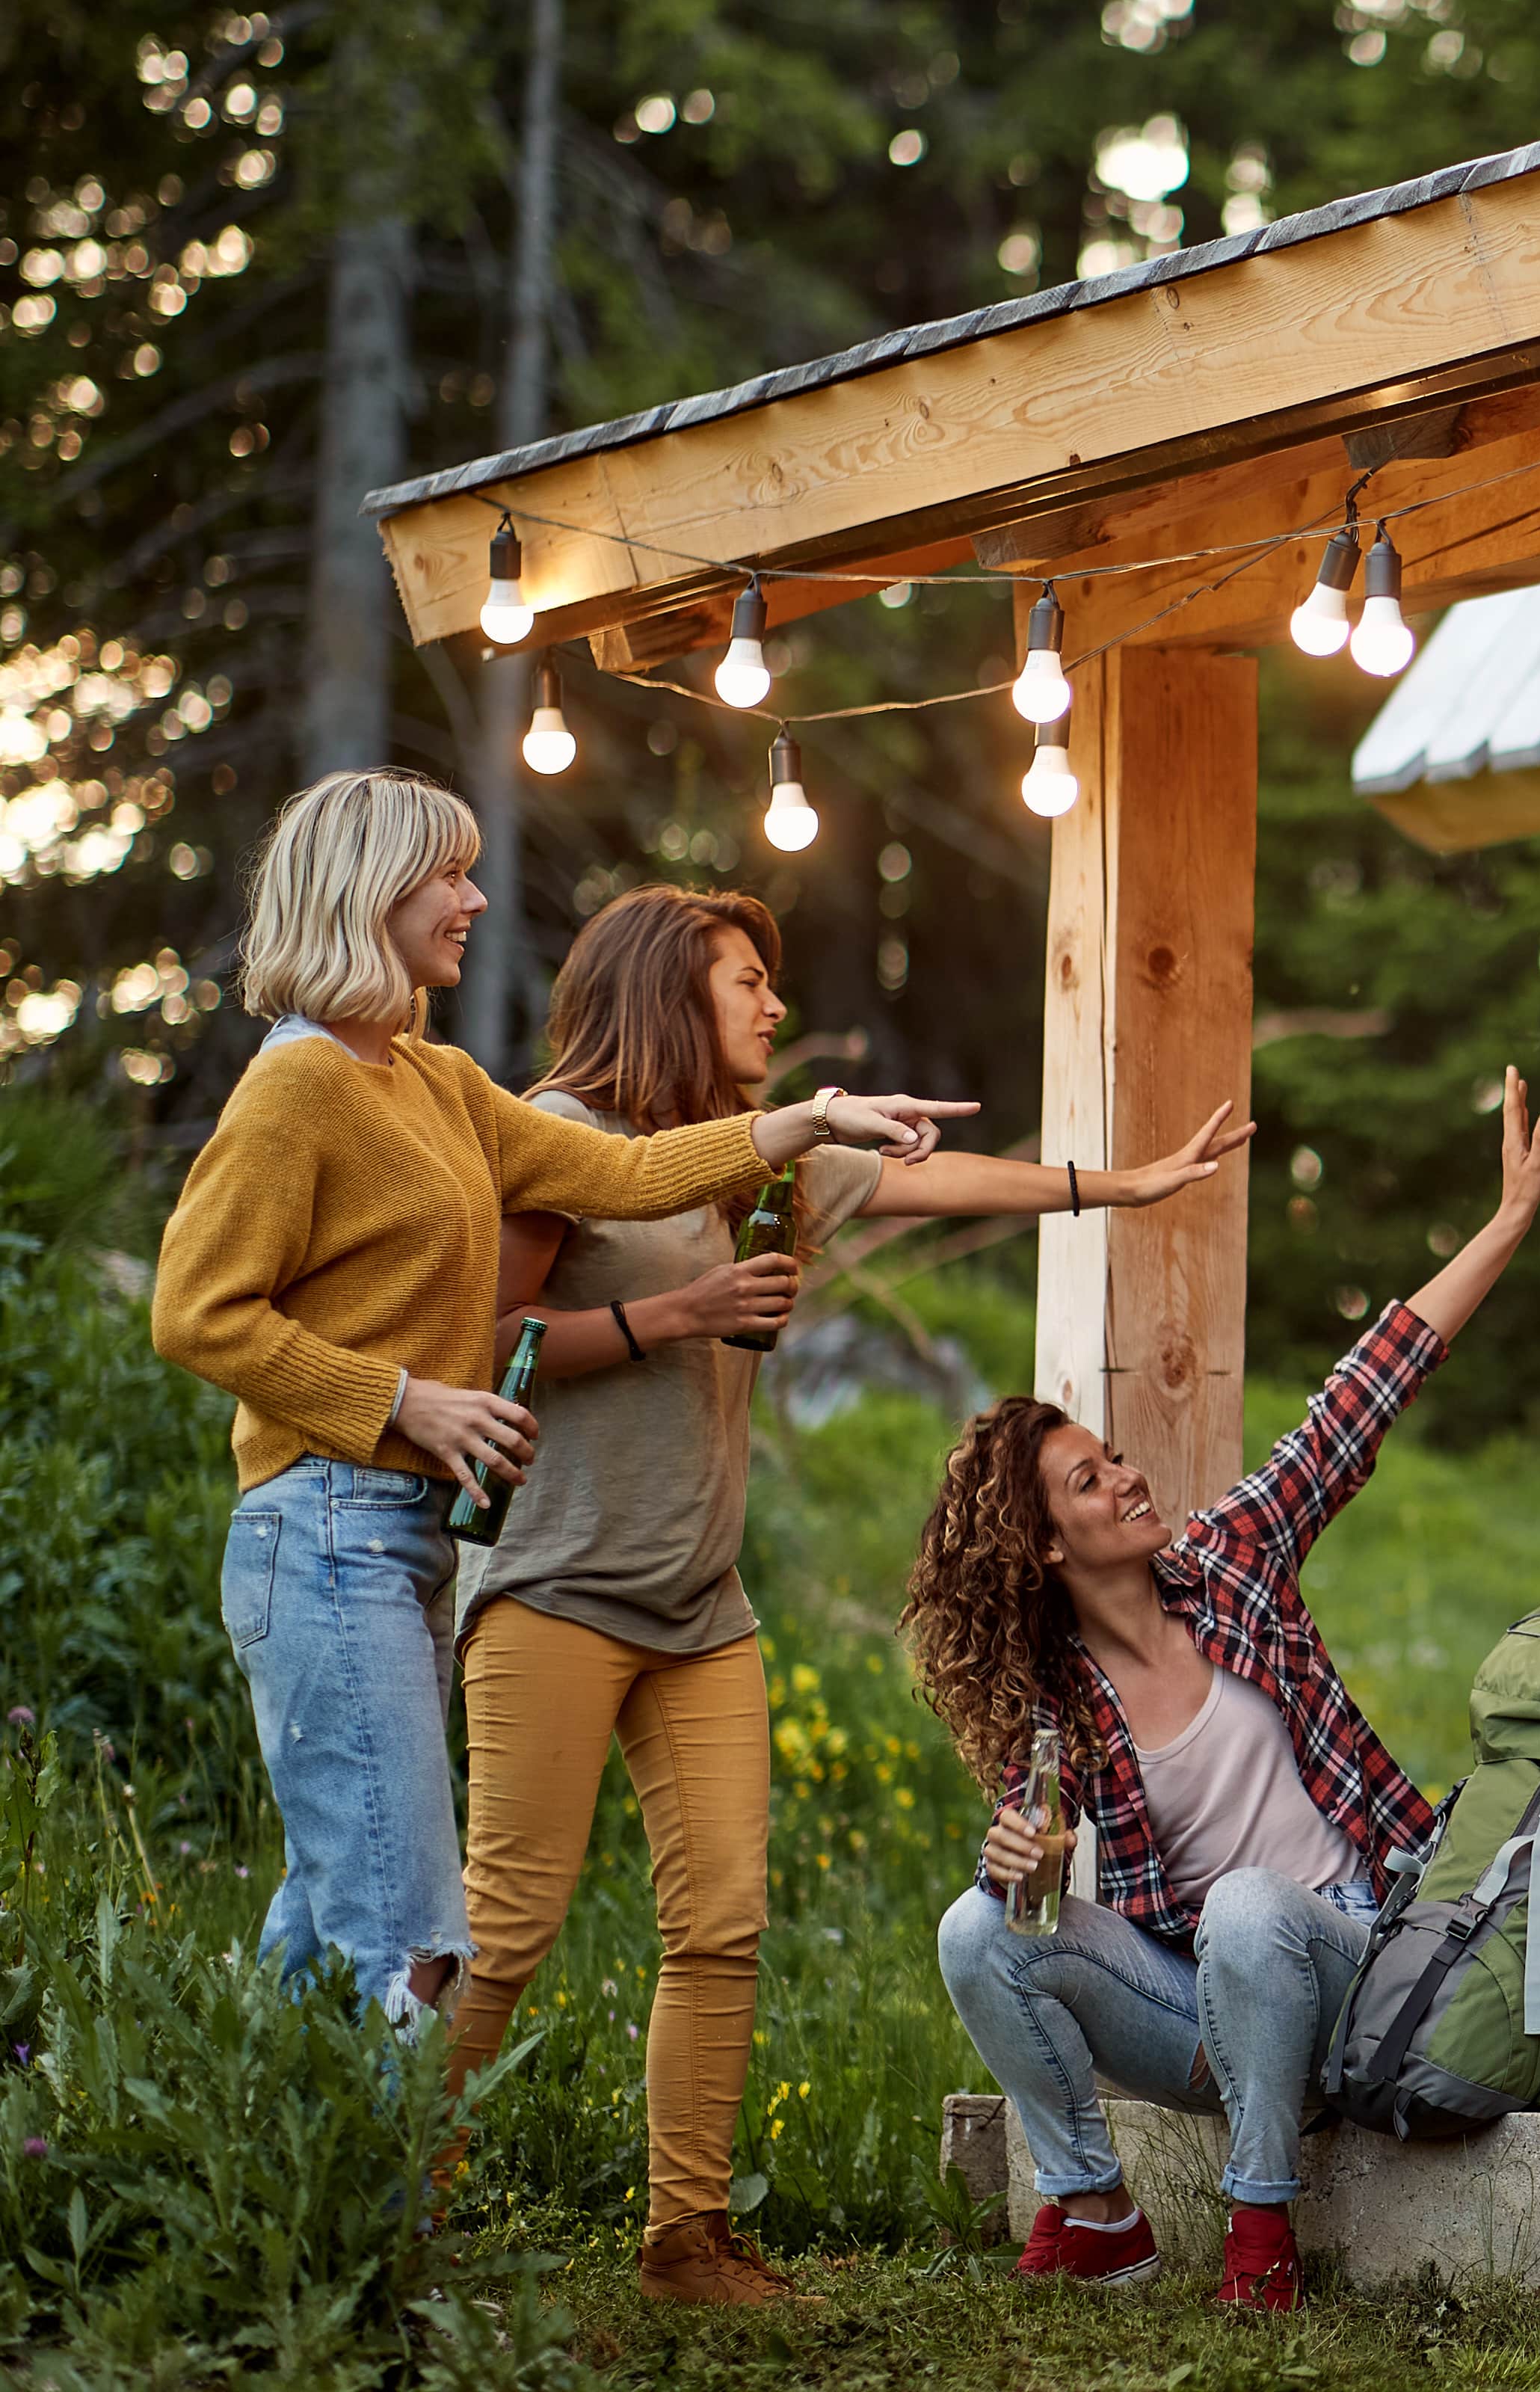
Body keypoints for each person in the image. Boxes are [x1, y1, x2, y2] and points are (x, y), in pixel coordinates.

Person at [449, 885, 1256, 2305]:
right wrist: (676, 1314)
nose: (772, 1003)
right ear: (663, 991)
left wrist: (1123, 1185)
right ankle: (389, 2196)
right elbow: (489, 1338)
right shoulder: (560, 1138)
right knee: (506, 1929)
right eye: (744, 980)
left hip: (700, 1607)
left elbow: (946, 1181)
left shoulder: (756, 1170)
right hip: (555, 1587)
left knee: (720, 1923)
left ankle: (684, 2238)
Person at [150, 768, 968, 2035]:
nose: (476, 897)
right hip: (320, 1530)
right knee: (416, 1945)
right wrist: (407, 1400)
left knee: (327, 1920)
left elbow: (626, 1169)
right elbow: (196, 1310)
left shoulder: (430, 1081)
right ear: (369, 891)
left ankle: (239, 2189)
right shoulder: (296, 1086)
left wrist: (805, 1120)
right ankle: (387, 2228)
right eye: (450, 873)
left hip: (404, 1538)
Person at [914, 1071, 1540, 2311]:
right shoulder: (1054, 1699)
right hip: (1214, 2010)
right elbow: (1032, 1887)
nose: (1131, 1477)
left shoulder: (1236, 1560)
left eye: (1115, 1459)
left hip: (1359, 1957)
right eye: (1092, 1482)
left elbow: (1361, 1394)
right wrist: (1010, 1856)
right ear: (1045, 1548)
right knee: (972, 1928)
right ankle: (1094, 2205)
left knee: (1254, 1903)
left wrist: (1507, 1219)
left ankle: (1260, 2225)